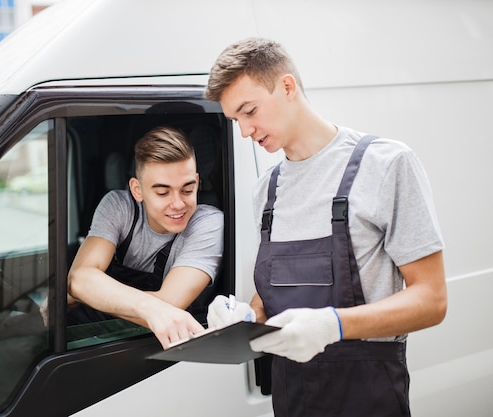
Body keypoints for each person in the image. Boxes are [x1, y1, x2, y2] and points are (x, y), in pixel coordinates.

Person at [205, 37, 447, 417]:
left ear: (287, 87)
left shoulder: (385, 164)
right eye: (236, 120)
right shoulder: (265, 192)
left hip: (369, 396)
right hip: (292, 400)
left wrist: (333, 324)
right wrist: (247, 320)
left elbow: (431, 300)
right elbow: (269, 299)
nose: (245, 132)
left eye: (249, 111)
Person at [65, 126, 224, 349]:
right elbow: (79, 278)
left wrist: (84, 295)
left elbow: (168, 306)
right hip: (92, 336)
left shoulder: (208, 223)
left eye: (187, 190)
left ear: (197, 182)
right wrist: (81, 289)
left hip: (151, 350)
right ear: (137, 190)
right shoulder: (119, 207)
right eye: (163, 192)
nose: (178, 204)